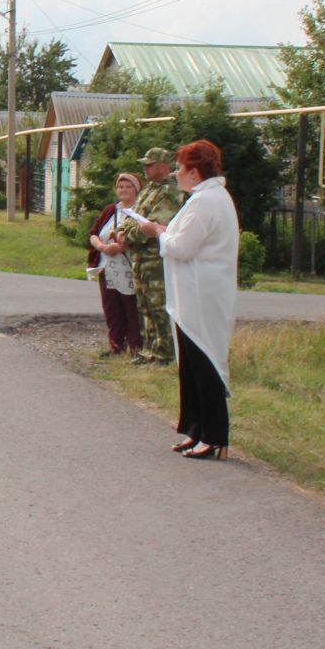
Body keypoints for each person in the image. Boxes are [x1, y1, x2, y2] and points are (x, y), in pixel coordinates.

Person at [136, 140, 239, 461]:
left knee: (204, 363)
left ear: (195, 172)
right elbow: (184, 237)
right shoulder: (204, 198)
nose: (177, 174)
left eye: (180, 169)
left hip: (201, 296)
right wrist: (166, 230)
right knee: (191, 365)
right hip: (192, 296)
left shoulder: (206, 201)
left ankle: (214, 436)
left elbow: (182, 248)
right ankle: (196, 430)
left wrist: (157, 233)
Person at [85, 172, 144, 360]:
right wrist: (102, 247)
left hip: (130, 269)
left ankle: (135, 348)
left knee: (131, 309)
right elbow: (94, 233)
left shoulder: (140, 211)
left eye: (127, 186)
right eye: (120, 187)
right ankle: (116, 346)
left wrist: (119, 247)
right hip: (107, 267)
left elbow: (142, 236)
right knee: (111, 308)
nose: (123, 190)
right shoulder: (110, 210)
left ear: (136, 189)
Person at [133, 146, 183, 363]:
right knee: (144, 304)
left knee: (158, 304)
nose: (145, 168)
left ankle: (164, 352)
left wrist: (129, 235)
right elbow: (133, 217)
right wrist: (123, 232)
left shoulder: (170, 191)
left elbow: (155, 224)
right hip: (140, 257)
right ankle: (149, 349)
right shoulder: (149, 189)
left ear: (163, 167)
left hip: (155, 256)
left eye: (149, 164)